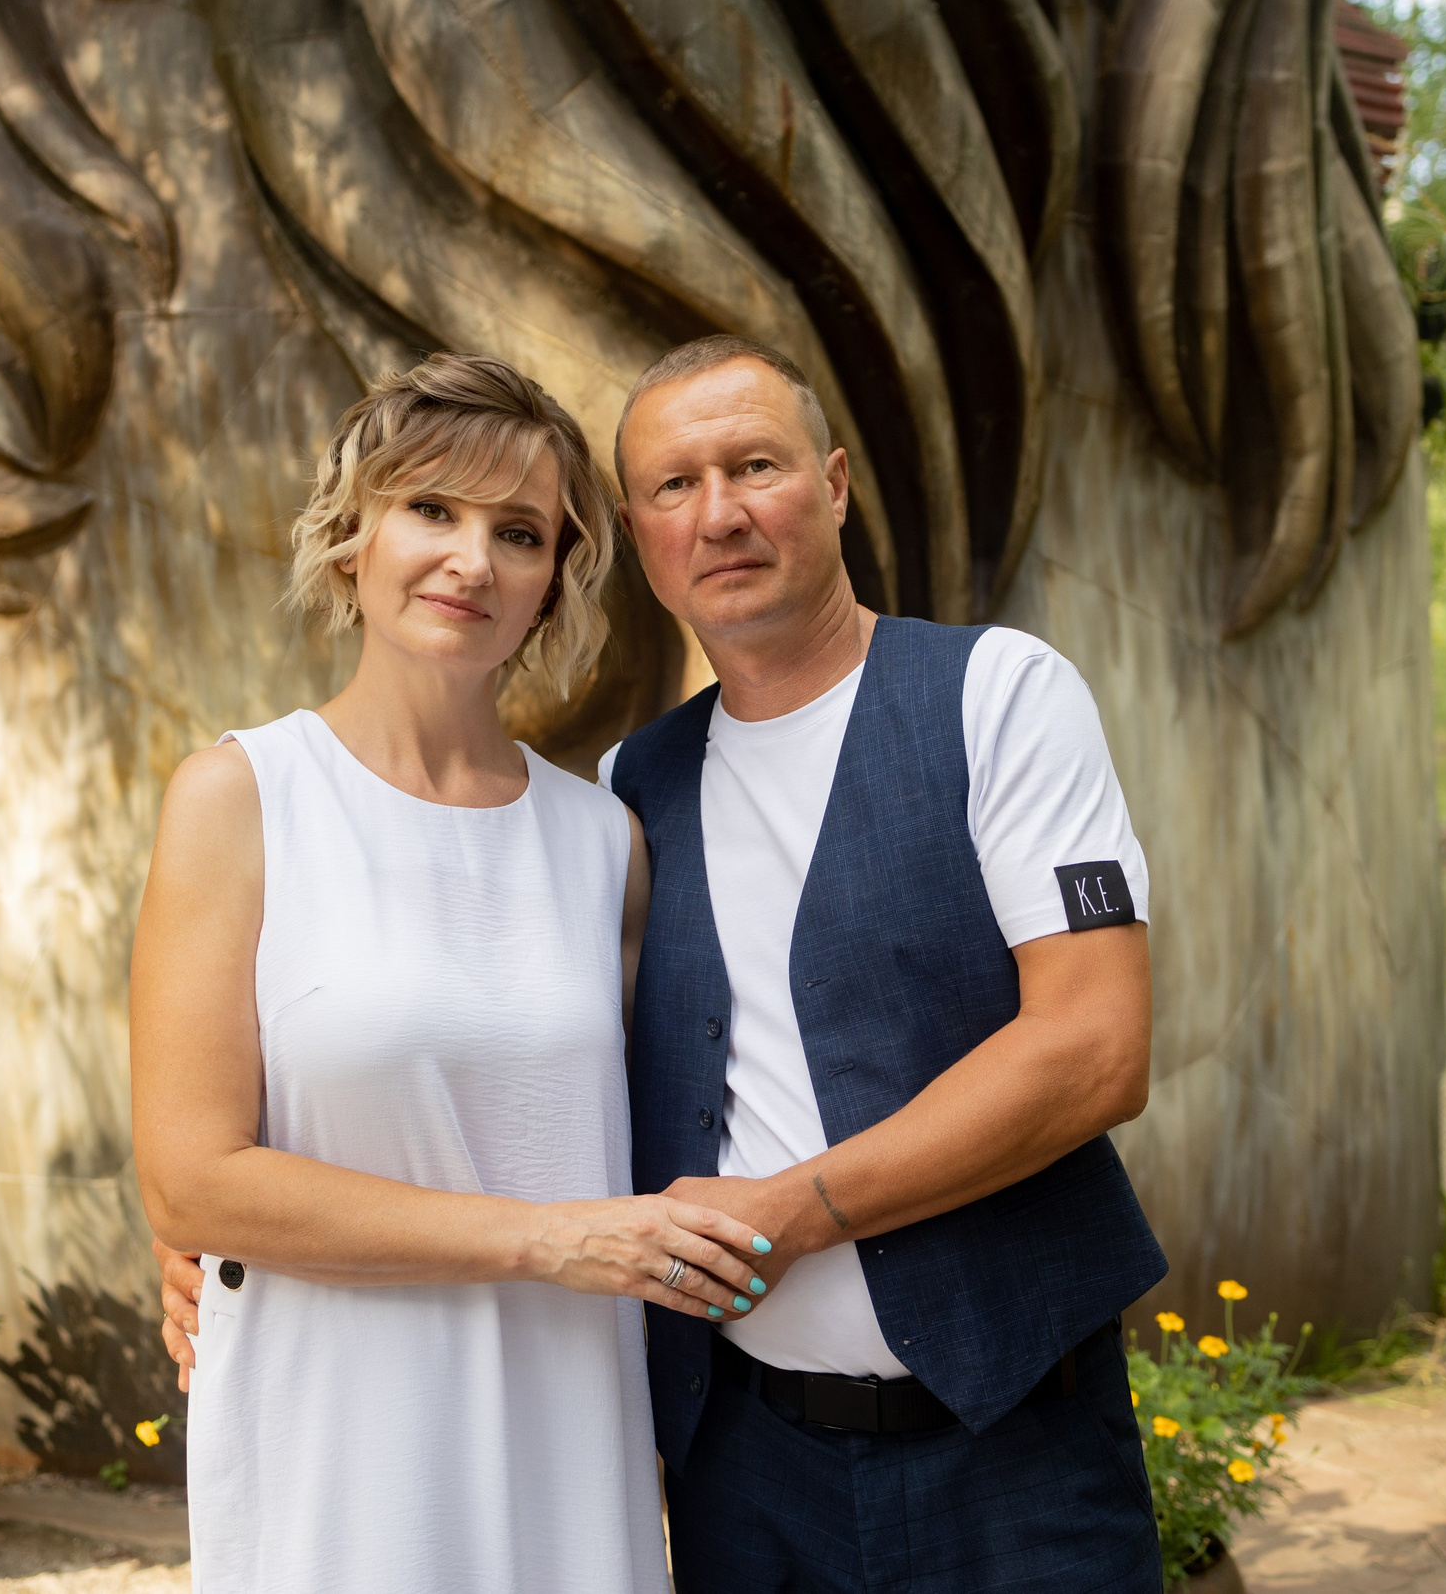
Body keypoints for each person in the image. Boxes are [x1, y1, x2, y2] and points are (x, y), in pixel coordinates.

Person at [160, 335, 1168, 1591]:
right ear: (639, 538)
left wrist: (789, 1212)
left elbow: (1093, 1050)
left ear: (835, 486)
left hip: (1009, 1446)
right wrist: (218, 1225)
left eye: (756, 466)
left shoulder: (987, 696)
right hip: (740, 1465)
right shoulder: (640, 788)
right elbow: (272, 1130)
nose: (720, 513)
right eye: (675, 486)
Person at [128, 353, 772, 1594]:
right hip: (336, 1444)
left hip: (563, 1432)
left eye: (517, 532)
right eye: (431, 509)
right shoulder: (243, 798)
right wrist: (545, 1240)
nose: (471, 561)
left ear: (552, 582)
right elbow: (192, 1181)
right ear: (353, 536)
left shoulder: (603, 843)